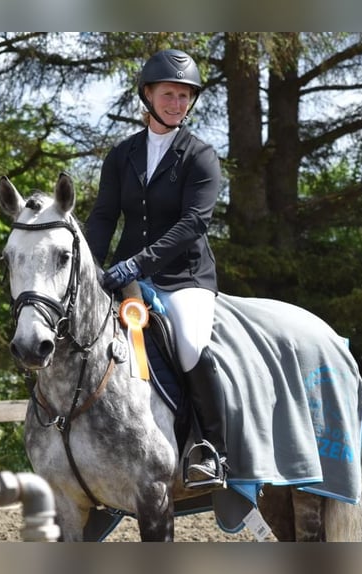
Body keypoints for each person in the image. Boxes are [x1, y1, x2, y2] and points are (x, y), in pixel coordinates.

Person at [85, 48, 228, 487]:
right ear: (147, 96)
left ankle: (212, 451)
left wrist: (135, 264)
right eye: (169, 94)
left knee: (188, 343)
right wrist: (88, 272)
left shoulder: (200, 156)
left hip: (184, 278)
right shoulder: (122, 156)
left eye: (185, 96)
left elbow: (192, 224)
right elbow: (105, 216)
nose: (177, 103)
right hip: (126, 277)